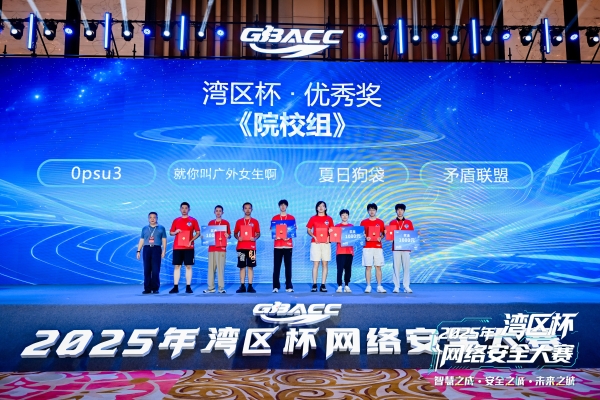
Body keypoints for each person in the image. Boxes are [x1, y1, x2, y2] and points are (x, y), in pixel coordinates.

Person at [169, 202, 200, 294]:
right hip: (177, 247)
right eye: (182, 208)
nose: (184, 210)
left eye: (186, 208)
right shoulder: (176, 220)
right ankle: (175, 287)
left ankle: (188, 287)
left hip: (189, 247)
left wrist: (191, 240)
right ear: (180, 209)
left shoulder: (193, 220)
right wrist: (176, 232)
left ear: (189, 209)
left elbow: (198, 233)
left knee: (188, 266)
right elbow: (171, 232)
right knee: (177, 266)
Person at [306, 200, 334, 292]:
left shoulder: (329, 219)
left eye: (322, 206)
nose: (321, 207)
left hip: (326, 243)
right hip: (315, 243)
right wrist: (314, 236)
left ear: (325, 208)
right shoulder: (313, 218)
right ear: (317, 208)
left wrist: (329, 237)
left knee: (325, 264)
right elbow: (308, 230)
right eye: (319, 206)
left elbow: (332, 230)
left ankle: (323, 284)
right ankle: (314, 284)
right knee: (316, 263)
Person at [136, 212, 167, 294]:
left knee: (156, 269)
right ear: (148, 219)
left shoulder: (161, 228)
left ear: (157, 218)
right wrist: (138, 251)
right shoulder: (145, 228)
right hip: (146, 249)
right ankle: (147, 288)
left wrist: (164, 250)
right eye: (150, 217)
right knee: (147, 269)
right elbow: (142, 240)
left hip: (156, 249)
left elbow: (164, 239)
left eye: (154, 217)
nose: (152, 219)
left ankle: (155, 288)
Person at [203, 205, 232, 294]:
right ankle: (211, 288)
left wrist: (228, 236)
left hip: (221, 248)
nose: (218, 212)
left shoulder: (226, 223)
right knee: (211, 269)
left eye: (220, 211)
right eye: (217, 211)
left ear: (222, 212)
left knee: (220, 268)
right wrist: (203, 237)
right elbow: (207, 235)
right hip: (211, 248)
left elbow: (229, 235)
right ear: (214, 212)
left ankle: (221, 288)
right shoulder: (211, 222)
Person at [233, 202, 260, 293]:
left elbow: (258, 233)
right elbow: (235, 233)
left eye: (249, 208)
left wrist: (255, 238)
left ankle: (250, 286)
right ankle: (242, 286)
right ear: (243, 210)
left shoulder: (255, 221)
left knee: (250, 267)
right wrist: (238, 238)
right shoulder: (239, 221)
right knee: (242, 267)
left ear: (252, 210)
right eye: (246, 208)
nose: (247, 210)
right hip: (241, 248)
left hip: (251, 248)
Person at [360, 203, 386, 294]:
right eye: (370, 210)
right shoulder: (363, 222)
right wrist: (365, 237)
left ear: (376, 211)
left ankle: (379, 286)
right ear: (368, 211)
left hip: (377, 247)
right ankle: (368, 286)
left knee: (378, 266)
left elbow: (383, 233)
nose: (372, 211)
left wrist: (380, 238)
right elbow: (361, 233)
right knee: (368, 267)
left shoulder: (380, 222)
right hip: (367, 247)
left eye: (373, 210)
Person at [271, 199, 296, 293]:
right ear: (279, 206)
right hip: (277, 245)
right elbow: (272, 230)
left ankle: (289, 286)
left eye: (284, 205)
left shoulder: (291, 217)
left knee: (288, 266)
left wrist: (289, 236)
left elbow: (293, 230)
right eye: (281, 205)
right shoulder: (275, 218)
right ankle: (275, 286)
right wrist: (276, 234)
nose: (283, 206)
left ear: (287, 206)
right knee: (276, 267)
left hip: (288, 245)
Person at [389, 203, 414, 293]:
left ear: (404, 211)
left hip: (406, 248)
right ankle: (396, 286)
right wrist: (389, 236)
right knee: (396, 267)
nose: (400, 211)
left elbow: (412, 235)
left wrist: (416, 235)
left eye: (401, 210)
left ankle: (406, 286)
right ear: (396, 211)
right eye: (398, 210)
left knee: (406, 267)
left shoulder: (408, 222)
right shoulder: (392, 222)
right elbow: (390, 236)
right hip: (396, 248)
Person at [335, 209, 354, 293]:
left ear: (348, 216)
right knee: (340, 269)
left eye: (346, 215)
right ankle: (339, 285)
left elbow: (355, 238)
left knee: (348, 269)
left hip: (349, 251)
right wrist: (331, 232)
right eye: (343, 215)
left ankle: (346, 285)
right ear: (340, 216)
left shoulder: (352, 226)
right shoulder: (337, 226)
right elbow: (334, 237)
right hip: (340, 251)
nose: (344, 216)